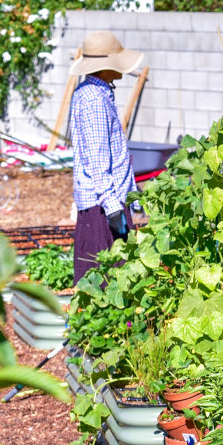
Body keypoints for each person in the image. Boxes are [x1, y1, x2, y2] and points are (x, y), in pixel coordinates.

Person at [68, 30, 143, 283]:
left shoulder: (97, 92)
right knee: (104, 285)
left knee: (114, 284)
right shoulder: (94, 101)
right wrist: (113, 211)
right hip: (102, 209)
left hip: (108, 201)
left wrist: (132, 199)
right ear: (104, 68)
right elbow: (97, 161)